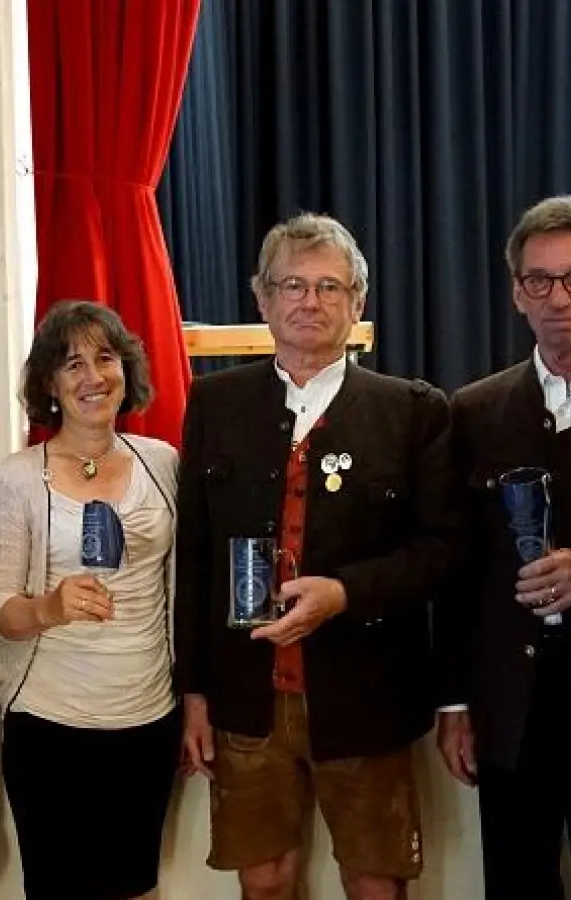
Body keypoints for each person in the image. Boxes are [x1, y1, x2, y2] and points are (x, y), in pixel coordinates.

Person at [175, 213, 458, 900]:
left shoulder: (412, 411)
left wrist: (345, 593)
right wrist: (194, 691)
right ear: (263, 299)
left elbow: (442, 553)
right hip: (246, 696)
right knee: (264, 880)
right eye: (292, 286)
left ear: (358, 303)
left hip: (367, 691)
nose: (310, 302)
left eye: (330, 287)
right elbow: (196, 557)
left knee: (374, 881)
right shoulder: (215, 403)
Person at [435, 196, 571, 899]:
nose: (559, 297)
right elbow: (456, 573)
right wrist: (455, 703)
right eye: (540, 280)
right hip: (509, 706)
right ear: (518, 292)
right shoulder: (472, 410)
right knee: (517, 884)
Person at [0, 301, 179, 900]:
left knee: (135, 886)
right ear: (50, 384)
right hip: (50, 723)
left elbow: (180, 586)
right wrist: (50, 608)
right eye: (73, 365)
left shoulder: (164, 463)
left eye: (105, 358)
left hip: (148, 717)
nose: (94, 377)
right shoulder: (15, 481)